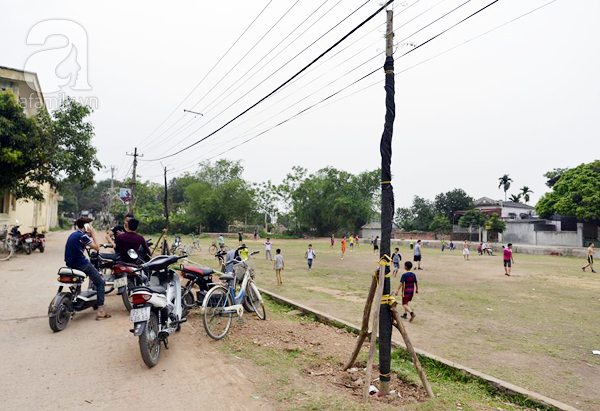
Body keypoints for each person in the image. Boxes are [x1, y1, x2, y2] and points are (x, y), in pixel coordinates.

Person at [65, 218, 110, 320]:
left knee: (80, 281)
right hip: (81, 264)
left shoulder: (73, 235)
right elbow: (97, 247)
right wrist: (93, 233)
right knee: (100, 283)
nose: (91, 227)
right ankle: (101, 311)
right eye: (90, 225)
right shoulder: (83, 236)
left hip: (70, 264)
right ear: (86, 226)